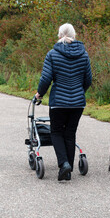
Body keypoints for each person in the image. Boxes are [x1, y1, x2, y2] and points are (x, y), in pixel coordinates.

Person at [35, 23, 92, 181]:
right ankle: (68, 169)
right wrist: (79, 92)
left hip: (58, 102)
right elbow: (88, 79)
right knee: (70, 133)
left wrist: (40, 94)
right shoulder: (84, 54)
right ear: (74, 35)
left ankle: (64, 164)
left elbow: (46, 78)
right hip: (78, 103)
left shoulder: (52, 54)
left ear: (60, 35)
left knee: (56, 132)